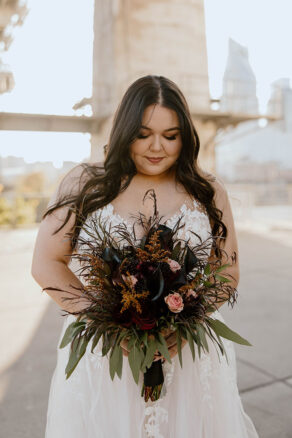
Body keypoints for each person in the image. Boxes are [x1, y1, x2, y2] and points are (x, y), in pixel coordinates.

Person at [31, 75, 259, 437]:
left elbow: (228, 269)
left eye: (171, 135)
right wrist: (107, 322)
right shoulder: (85, 182)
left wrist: (187, 325)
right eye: (143, 134)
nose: (157, 147)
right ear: (125, 131)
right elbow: (46, 262)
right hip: (106, 356)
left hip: (188, 357)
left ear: (185, 135)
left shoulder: (208, 190)